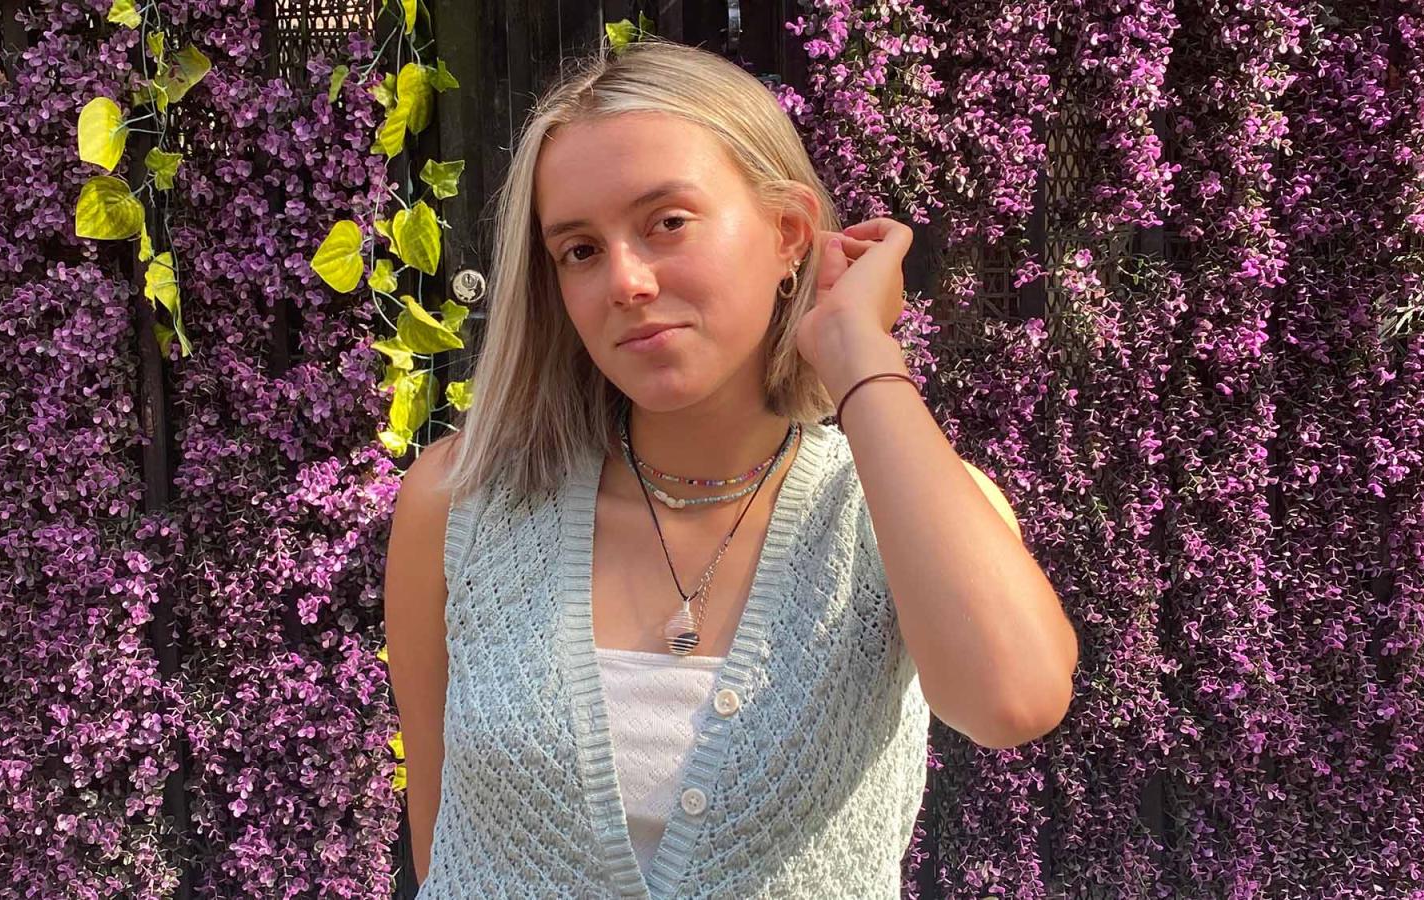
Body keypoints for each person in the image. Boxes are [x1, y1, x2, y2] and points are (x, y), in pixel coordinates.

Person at [384, 34, 1077, 899]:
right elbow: (442, 843)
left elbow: (1013, 702)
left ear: (789, 232)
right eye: (580, 250)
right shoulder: (463, 507)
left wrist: (858, 355)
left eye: (666, 222)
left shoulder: (902, 508)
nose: (625, 281)